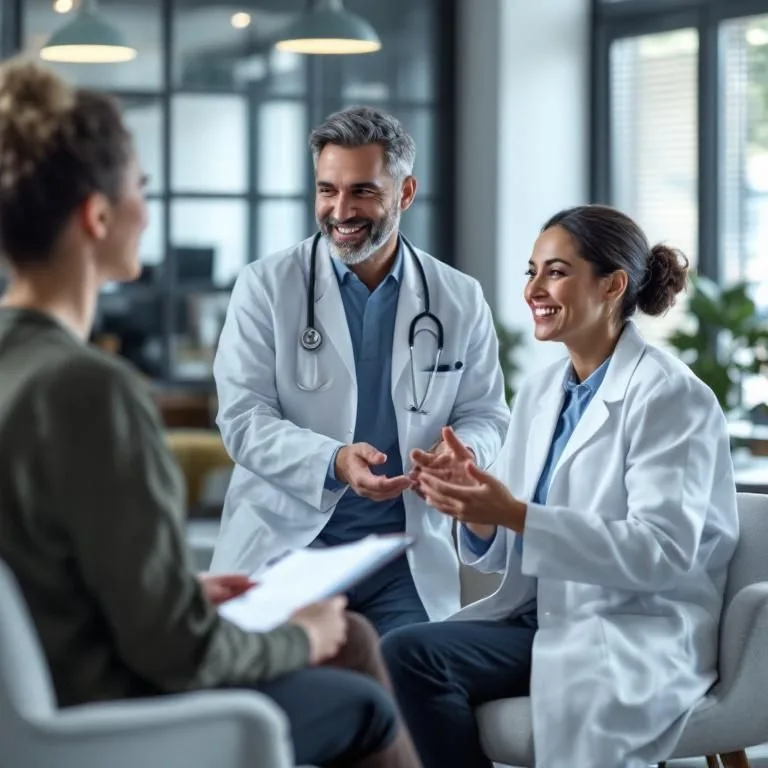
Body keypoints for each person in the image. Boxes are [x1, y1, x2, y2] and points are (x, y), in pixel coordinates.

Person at [0, 58, 421, 768]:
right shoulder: (90, 391)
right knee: (362, 692)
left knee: (351, 639)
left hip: (52, 665)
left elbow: (42, 558)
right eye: (142, 188)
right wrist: (299, 638)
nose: (148, 208)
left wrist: (182, 587)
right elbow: (177, 652)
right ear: (97, 216)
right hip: (107, 707)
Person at [381, 204, 740, 768]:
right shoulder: (545, 389)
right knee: (403, 651)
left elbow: (663, 554)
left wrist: (516, 513)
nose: (534, 290)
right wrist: (474, 504)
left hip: (631, 626)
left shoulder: (672, 397)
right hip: (544, 616)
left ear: (613, 285)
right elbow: (508, 548)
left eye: (556, 271)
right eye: (531, 272)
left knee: (410, 655)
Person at [209, 105, 510, 636]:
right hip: (292, 545)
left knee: (414, 676)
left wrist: (461, 453)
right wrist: (334, 461)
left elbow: (485, 413)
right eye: (328, 190)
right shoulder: (265, 287)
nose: (340, 210)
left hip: (401, 558)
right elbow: (243, 419)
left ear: (405, 194)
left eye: (363, 192)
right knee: (297, 685)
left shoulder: (459, 297)